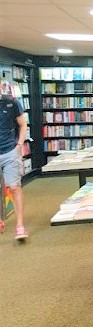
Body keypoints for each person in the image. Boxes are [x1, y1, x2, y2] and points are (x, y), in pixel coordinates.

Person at [0, 93, 28, 240]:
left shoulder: (12, 103)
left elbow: (23, 124)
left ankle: (20, 226)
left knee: (15, 187)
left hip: (10, 151)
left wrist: (19, 144)